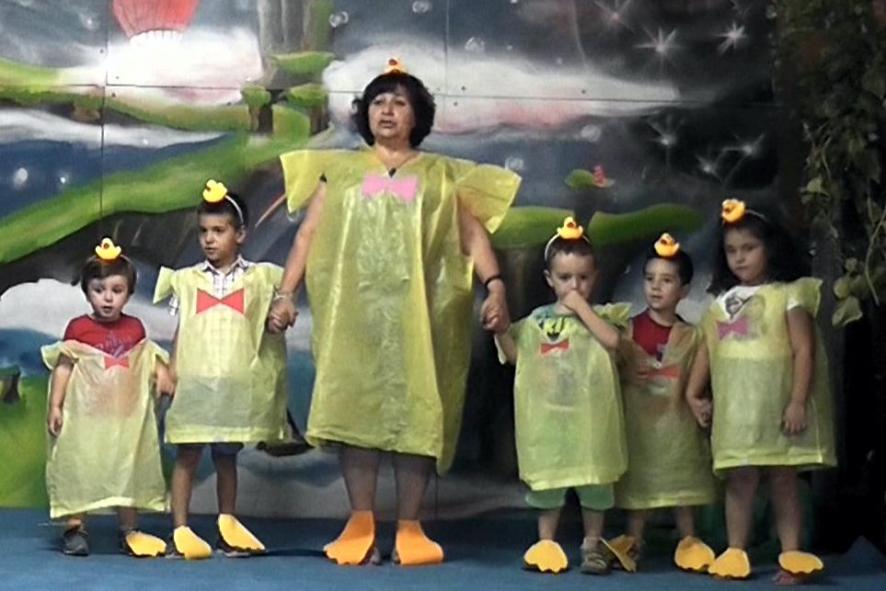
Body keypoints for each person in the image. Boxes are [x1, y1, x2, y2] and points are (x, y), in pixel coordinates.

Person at [268, 58, 520, 566]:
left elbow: (473, 236)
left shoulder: (441, 176)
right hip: (354, 317)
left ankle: (410, 526)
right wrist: (286, 293)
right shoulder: (339, 172)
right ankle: (360, 521)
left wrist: (495, 287)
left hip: (420, 319)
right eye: (379, 101)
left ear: (416, 115)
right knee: (356, 414)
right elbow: (308, 235)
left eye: (399, 102)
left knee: (416, 415)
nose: (387, 110)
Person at [685, 199, 836, 584]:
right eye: (731, 250)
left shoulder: (789, 293)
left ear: (771, 247)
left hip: (778, 407)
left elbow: (804, 350)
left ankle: (792, 554)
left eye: (749, 248)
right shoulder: (720, 303)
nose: (739, 257)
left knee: (783, 479)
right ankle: (736, 551)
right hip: (737, 412)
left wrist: (798, 401)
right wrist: (694, 394)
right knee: (740, 480)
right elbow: (707, 350)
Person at [153, 180, 290, 559]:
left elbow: (276, 315)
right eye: (203, 232)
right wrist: (172, 370)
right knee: (188, 454)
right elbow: (182, 329)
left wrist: (281, 316)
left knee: (227, 457)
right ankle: (180, 528)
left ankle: (227, 525)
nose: (209, 239)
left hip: (233, 386)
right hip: (196, 383)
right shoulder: (187, 281)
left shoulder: (259, 279)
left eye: (219, 231)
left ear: (240, 234)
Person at [494, 217, 630, 575]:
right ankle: (546, 542)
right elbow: (515, 355)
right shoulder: (537, 320)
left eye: (583, 277)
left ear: (595, 277)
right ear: (549, 279)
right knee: (548, 483)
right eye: (565, 277)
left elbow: (613, 341)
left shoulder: (600, 316)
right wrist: (501, 329)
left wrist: (581, 309)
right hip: (549, 419)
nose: (575, 285)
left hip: (591, 419)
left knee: (595, 481)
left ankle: (592, 544)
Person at [43, 238, 171, 557]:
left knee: (127, 469)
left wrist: (162, 374)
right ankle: (75, 527)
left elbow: (147, 359)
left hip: (125, 419)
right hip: (86, 420)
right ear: (87, 292)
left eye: (116, 290)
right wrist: (56, 405)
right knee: (80, 468)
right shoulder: (79, 329)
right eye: (99, 290)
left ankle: (129, 529)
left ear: (129, 292)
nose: (108, 298)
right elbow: (64, 367)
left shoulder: (135, 329)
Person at [610, 233, 717, 571]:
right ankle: (634, 539)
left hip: (677, 425)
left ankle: (689, 539)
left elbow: (700, 381)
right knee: (638, 484)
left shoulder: (694, 336)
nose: (656, 287)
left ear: (684, 290)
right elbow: (609, 373)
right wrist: (626, 373)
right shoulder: (624, 331)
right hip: (637, 425)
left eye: (667, 280)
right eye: (650, 278)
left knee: (682, 481)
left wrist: (701, 403)